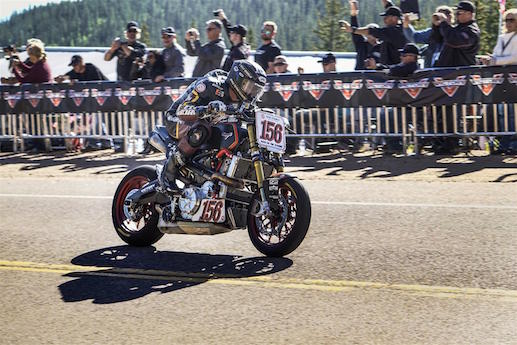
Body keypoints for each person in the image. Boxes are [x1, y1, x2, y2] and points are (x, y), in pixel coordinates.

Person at [159, 60, 266, 192]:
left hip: (209, 126)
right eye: (250, 87)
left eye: (256, 90)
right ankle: (168, 172)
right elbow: (182, 110)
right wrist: (205, 109)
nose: (252, 93)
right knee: (202, 129)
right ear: (238, 80)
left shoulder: (245, 102)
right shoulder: (211, 85)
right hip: (177, 119)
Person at [482, 9, 517, 153]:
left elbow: (515, 57)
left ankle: (514, 144)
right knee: (503, 112)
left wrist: (495, 60)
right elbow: (497, 55)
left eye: (511, 20)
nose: (508, 23)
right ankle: (505, 142)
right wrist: (490, 60)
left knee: (513, 112)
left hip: (514, 80)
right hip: (502, 81)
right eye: (506, 20)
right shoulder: (502, 38)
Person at [342, 5, 407, 66]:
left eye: (386, 17)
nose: (384, 19)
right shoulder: (400, 31)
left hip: (393, 73)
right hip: (389, 71)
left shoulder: (394, 32)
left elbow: (373, 31)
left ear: (394, 18)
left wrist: (353, 29)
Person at [433, 1, 480, 67]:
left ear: (469, 14)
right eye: (456, 12)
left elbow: (454, 41)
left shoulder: (472, 30)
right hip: (447, 70)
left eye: (459, 13)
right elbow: (438, 40)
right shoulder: (457, 28)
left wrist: (444, 23)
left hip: (462, 71)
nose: (456, 15)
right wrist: (436, 26)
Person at [342, 0, 381, 70]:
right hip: (359, 76)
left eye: (373, 32)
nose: (371, 34)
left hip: (377, 77)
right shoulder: (361, 45)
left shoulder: (383, 47)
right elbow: (355, 31)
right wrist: (354, 15)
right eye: (369, 32)